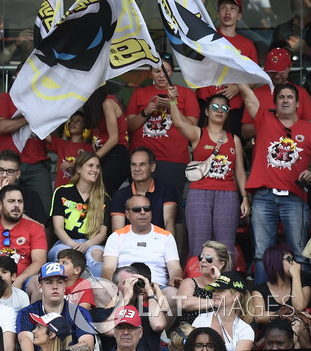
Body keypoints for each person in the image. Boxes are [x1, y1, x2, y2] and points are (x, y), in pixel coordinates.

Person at [238, 82, 311, 281]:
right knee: (262, 255)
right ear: (275, 102)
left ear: (297, 103)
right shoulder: (265, 119)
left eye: (290, 97)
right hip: (264, 197)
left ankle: (302, 306)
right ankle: (263, 302)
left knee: (300, 256)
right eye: (281, 97)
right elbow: (247, 94)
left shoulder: (308, 128)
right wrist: (237, 75)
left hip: (295, 197)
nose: (285, 100)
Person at [168, 90, 249, 258]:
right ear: (206, 111)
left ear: (228, 114)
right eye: (214, 107)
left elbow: (240, 172)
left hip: (228, 194)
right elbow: (179, 124)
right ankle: (198, 283)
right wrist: (173, 101)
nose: (219, 110)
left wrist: (245, 198)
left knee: (225, 247)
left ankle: (224, 283)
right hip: (199, 193)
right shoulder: (199, 133)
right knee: (199, 244)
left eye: (224, 108)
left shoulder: (234, 139)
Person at [126, 56, 200, 206]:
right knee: (141, 204)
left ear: (172, 72)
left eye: (165, 71)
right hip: (142, 160)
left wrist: (172, 107)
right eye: (157, 71)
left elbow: (192, 127)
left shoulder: (186, 94)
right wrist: (145, 112)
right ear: (150, 72)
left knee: (173, 205)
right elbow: (128, 128)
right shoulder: (139, 94)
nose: (161, 75)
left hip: (174, 160)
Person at [194, 0, 258, 136]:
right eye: (223, 8)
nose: (228, 12)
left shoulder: (247, 45)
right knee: (203, 146)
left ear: (239, 16)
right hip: (205, 103)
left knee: (231, 148)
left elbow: (255, 78)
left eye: (233, 8)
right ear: (218, 14)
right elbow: (193, 19)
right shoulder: (207, 37)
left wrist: (237, 88)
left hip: (233, 106)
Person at [0, 185, 47, 290]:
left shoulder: (35, 228)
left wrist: (19, 280)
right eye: (11, 201)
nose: (17, 205)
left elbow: (39, 262)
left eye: (20, 201)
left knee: (37, 283)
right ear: (0, 204)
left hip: (23, 280)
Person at [0, 86, 52, 217]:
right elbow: (1, 127)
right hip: (7, 166)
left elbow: (54, 136)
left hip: (37, 164)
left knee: (45, 212)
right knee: (3, 208)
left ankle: (41, 238)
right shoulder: (5, 98)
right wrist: (30, 118)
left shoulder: (43, 100)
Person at [49, 152, 110, 277]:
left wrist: (86, 245)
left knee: (98, 254)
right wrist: (73, 245)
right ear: (79, 169)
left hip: (91, 244)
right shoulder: (62, 192)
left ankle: (94, 290)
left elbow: (102, 233)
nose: (95, 170)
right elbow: (57, 228)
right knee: (64, 256)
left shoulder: (104, 198)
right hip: (65, 243)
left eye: (97, 167)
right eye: (90, 166)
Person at [102, 194, 182, 289]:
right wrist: (115, 288)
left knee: (173, 294)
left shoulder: (166, 236)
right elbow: (108, 269)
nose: (143, 212)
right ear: (127, 214)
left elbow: (175, 268)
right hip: (124, 288)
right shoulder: (116, 236)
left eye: (147, 208)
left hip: (158, 288)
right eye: (137, 209)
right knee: (100, 289)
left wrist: (175, 277)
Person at [17, 263, 96, 351]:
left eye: (59, 282)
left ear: (64, 286)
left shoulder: (79, 312)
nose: (55, 287)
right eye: (49, 282)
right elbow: (25, 341)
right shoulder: (27, 312)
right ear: (40, 287)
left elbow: (87, 345)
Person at [240, 47, 311, 140]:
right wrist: (269, 121)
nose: (277, 76)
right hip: (264, 150)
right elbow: (245, 133)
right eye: (273, 72)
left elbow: (308, 128)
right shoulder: (256, 94)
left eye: (281, 72)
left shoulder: (301, 93)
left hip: (295, 148)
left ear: (289, 67)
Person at [95, 266, 169, 351]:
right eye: (126, 283)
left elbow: (158, 325)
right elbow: (109, 330)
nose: (132, 286)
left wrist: (150, 293)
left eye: (135, 282)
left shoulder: (148, 313)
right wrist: (126, 298)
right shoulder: (103, 314)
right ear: (115, 288)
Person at [251, 244, 311, 348]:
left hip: (299, 336)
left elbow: (299, 306)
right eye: (289, 259)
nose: (294, 263)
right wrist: (283, 313)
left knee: (296, 332)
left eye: (293, 258)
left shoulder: (303, 284)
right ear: (275, 262)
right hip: (271, 336)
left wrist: (296, 275)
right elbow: (259, 317)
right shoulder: (259, 290)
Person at [109, 147, 177, 236]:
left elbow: (169, 222)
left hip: (158, 244)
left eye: (142, 164)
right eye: (133, 165)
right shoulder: (120, 195)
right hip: (129, 246)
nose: (137, 169)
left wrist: (168, 246)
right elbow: (118, 233)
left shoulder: (166, 190)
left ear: (152, 167)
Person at [0, 149, 48, 226]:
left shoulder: (31, 196)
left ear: (18, 174)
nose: (4, 175)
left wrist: (15, 211)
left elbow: (41, 228)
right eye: (0, 170)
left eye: (9, 171)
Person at [83, 85, 129, 194]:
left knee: (103, 194)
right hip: (103, 154)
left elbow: (114, 139)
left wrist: (93, 158)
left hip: (116, 154)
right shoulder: (95, 108)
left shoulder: (107, 103)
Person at [192, 271, 254, 351]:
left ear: (235, 296)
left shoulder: (245, 329)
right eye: (214, 290)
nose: (215, 293)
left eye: (220, 290)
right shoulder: (201, 319)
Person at [176, 241, 231, 326]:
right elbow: (183, 303)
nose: (203, 261)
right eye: (201, 257)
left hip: (218, 333)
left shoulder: (228, 284)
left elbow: (231, 302)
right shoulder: (190, 282)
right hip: (190, 333)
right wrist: (215, 302)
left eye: (208, 258)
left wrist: (218, 278)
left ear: (221, 264)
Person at [46, 111, 94, 189]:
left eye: (78, 121)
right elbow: (44, 134)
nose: (73, 123)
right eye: (71, 121)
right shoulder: (62, 144)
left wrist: (73, 165)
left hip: (79, 190)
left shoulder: (88, 148)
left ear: (84, 127)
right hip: (60, 189)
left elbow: (90, 167)